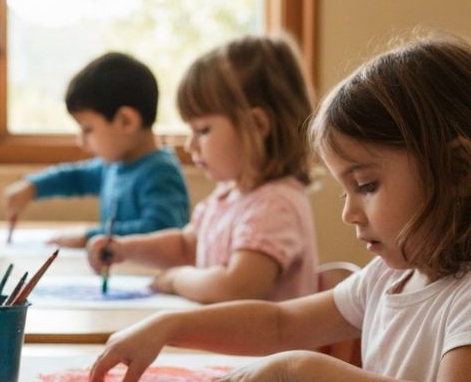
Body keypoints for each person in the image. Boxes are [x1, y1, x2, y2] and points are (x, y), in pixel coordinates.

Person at [88, 36, 471, 382]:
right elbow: (280, 322)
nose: (349, 213)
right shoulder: (388, 276)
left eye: (366, 184)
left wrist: (302, 368)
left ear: (458, 170)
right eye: (345, 190)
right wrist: (171, 325)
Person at [86, 34, 317, 303]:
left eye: (203, 130)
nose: (190, 144)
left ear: (256, 126)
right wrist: (125, 249)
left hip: (268, 347)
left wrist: (176, 278)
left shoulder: (274, 205)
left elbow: (235, 288)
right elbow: (187, 246)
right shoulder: (230, 195)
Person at [2, 52, 189, 249]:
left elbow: (160, 231)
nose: (81, 141)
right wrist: (32, 187)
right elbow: (76, 178)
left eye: (87, 129)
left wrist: (90, 237)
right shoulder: (115, 167)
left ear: (126, 121)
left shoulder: (160, 172)